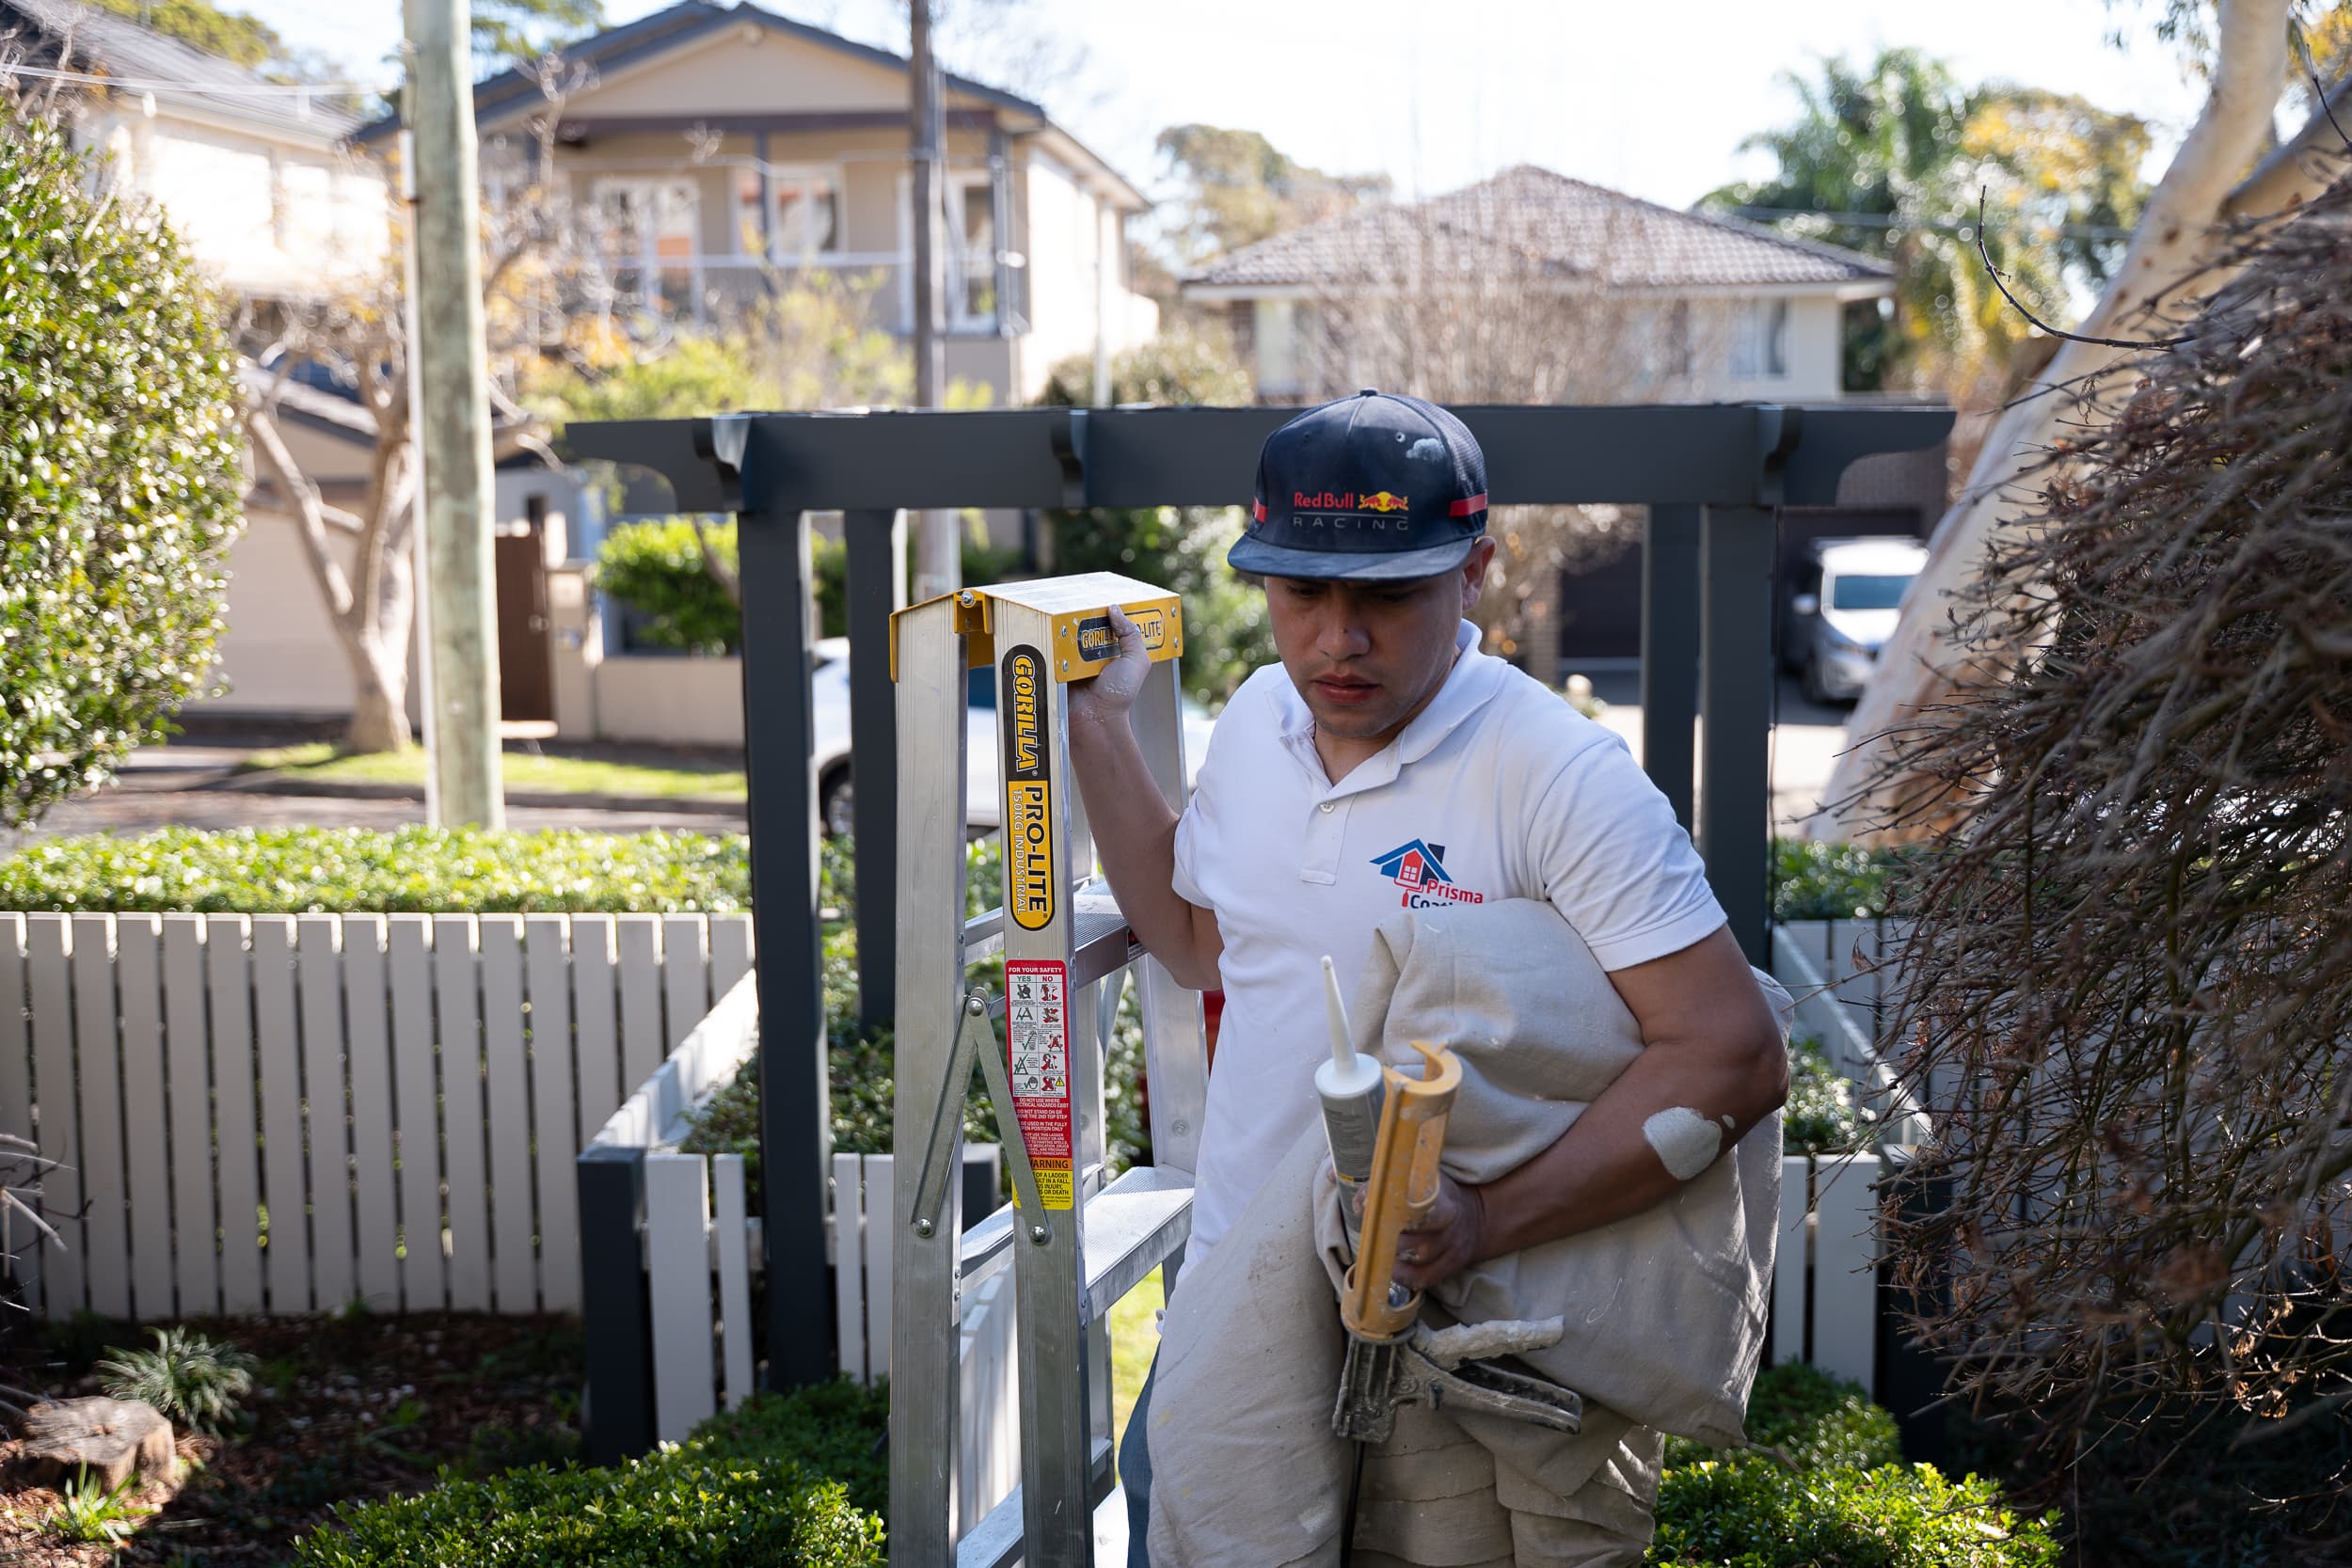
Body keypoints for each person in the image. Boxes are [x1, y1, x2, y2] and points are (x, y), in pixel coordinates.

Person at [1068, 390, 1788, 1564]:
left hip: (1461, 1351)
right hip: (1239, 1299)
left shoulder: (1556, 775)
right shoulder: (1257, 720)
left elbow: (1731, 1050)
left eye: (1388, 594)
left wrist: (1484, 1218)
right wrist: (1097, 727)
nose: (1336, 639)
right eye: (1301, 591)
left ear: (1476, 571)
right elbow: (1204, 941)